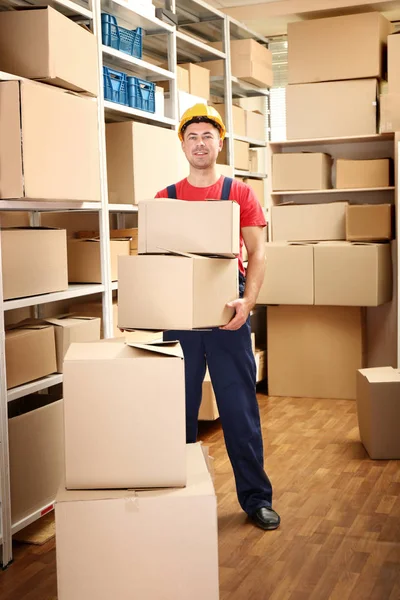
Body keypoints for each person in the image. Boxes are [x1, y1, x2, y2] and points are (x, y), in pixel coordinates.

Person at [156, 104, 280, 531]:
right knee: (177, 412)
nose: (200, 143)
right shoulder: (166, 199)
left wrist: (249, 302)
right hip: (180, 321)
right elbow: (155, 261)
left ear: (219, 142)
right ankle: (178, 497)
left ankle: (256, 499)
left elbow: (259, 252)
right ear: (183, 145)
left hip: (228, 315)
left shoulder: (239, 193)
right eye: (192, 137)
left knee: (240, 411)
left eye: (208, 135)